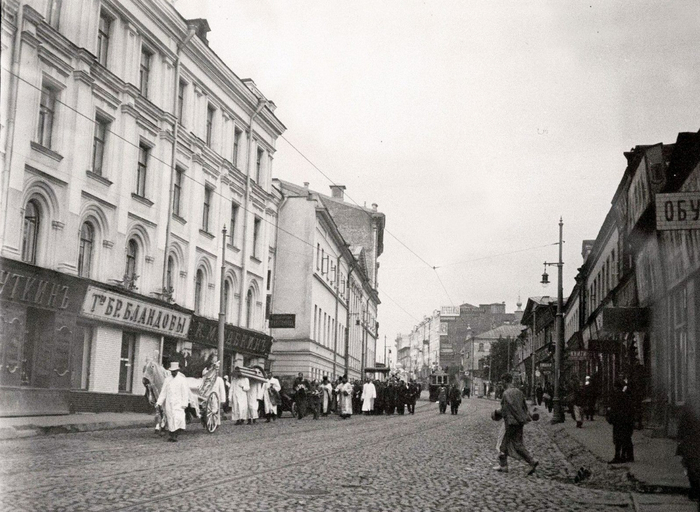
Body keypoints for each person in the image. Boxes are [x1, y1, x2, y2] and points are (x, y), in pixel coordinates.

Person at [493, 373, 538, 475]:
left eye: (502, 382)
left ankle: (504, 466)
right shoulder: (519, 392)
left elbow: (504, 410)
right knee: (517, 444)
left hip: (510, 422)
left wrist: (495, 414)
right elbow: (524, 407)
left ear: (505, 381)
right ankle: (532, 461)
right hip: (520, 422)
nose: (502, 384)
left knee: (502, 445)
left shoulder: (506, 393)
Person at [156, 362, 193, 442]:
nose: (173, 373)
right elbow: (163, 392)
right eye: (172, 371)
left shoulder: (182, 380)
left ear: (177, 371)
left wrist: (184, 403)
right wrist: (159, 402)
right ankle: (172, 435)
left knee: (178, 418)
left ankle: (175, 434)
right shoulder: (167, 380)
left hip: (178, 403)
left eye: (175, 371)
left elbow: (185, 392)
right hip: (169, 403)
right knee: (170, 419)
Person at [677, 392, 700, 503]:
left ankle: (695, 490)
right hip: (694, 443)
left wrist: (680, 439)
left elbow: (682, 426)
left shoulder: (687, 410)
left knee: (692, 467)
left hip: (690, 443)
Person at [607, 379, 634, 463]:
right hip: (627, 421)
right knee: (627, 438)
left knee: (618, 440)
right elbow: (631, 409)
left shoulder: (615, 397)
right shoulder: (627, 396)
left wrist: (610, 419)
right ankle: (629, 456)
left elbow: (613, 409)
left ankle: (618, 456)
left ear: (615, 387)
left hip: (618, 421)